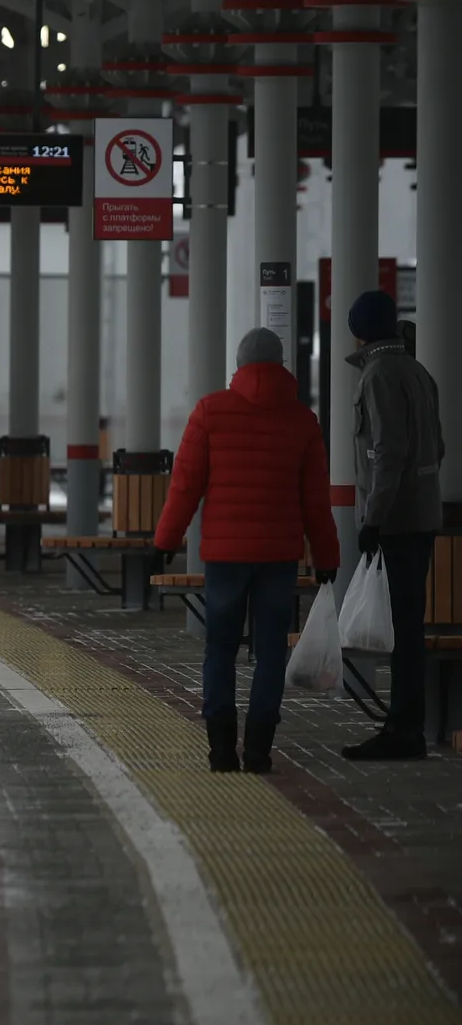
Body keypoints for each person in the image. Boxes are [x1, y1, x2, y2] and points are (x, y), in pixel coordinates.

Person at [156, 327, 340, 773]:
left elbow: (185, 485)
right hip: (278, 555)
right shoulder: (303, 421)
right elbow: (316, 499)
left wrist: (164, 540)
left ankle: (221, 750)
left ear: (238, 365)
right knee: (271, 651)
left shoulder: (209, 412)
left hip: (224, 556)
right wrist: (327, 557)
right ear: (281, 366)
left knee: (219, 649)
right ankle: (258, 750)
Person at [342, 290, 445, 761]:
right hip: (421, 517)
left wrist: (373, 519)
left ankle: (404, 730)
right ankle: (407, 724)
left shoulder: (379, 375)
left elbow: (387, 452)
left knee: (403, 630)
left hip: (398, 521)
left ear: (359, 331)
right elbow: (436, 447)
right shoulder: (418, 372)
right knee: (408, 625)